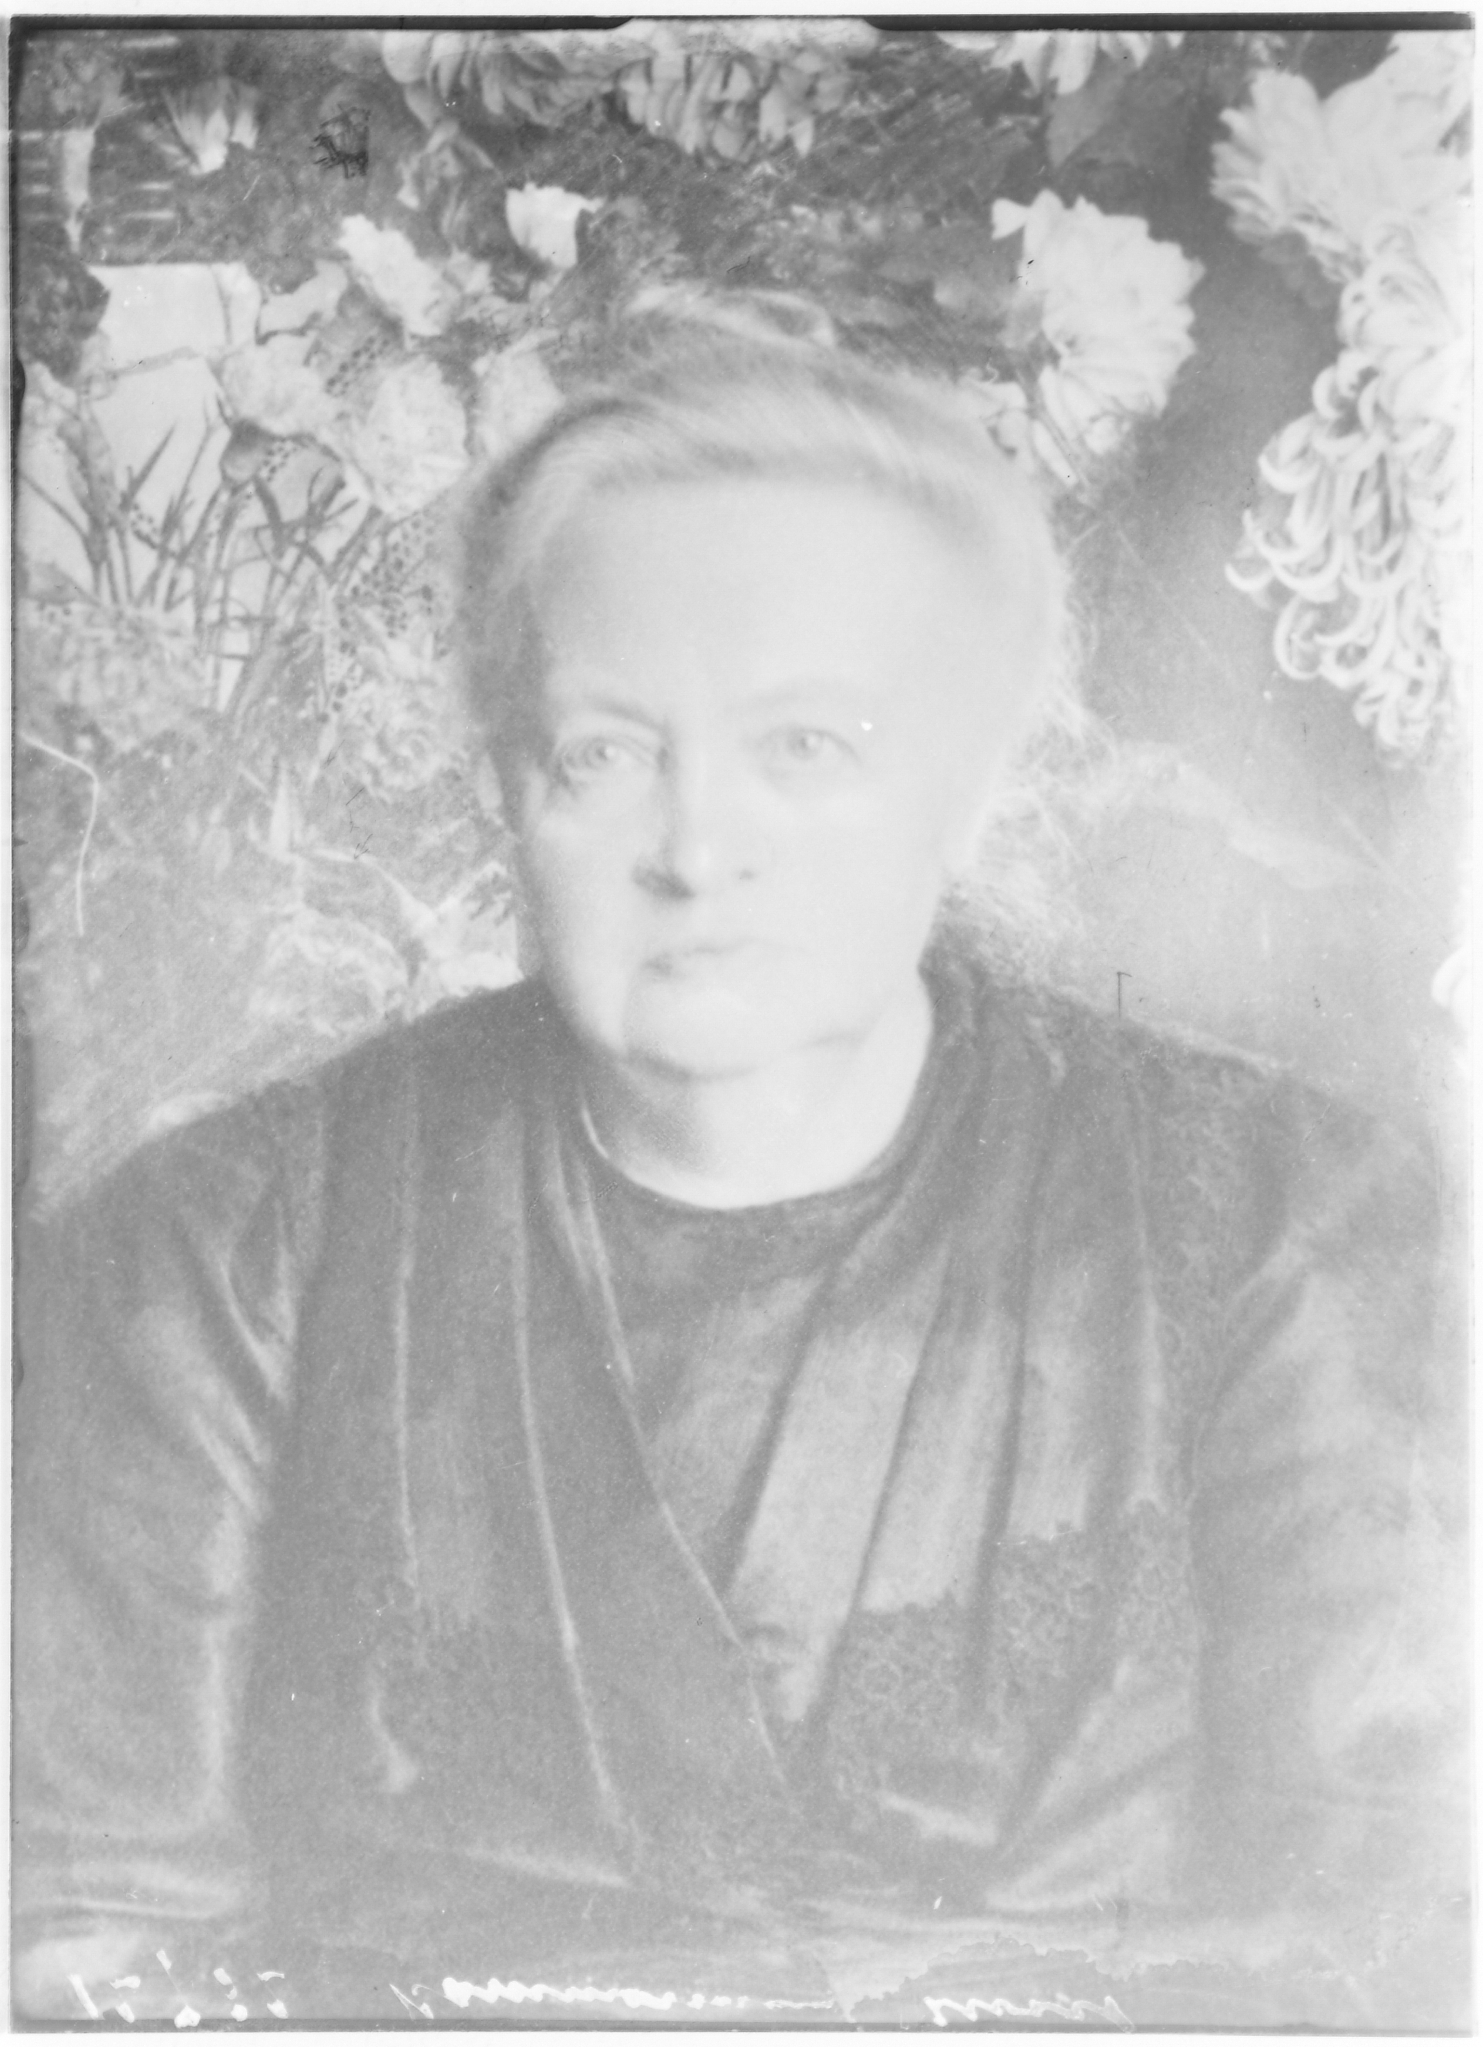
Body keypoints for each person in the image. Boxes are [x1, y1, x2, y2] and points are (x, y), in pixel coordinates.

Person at [12, 317, 1466, 2026]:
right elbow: (89, 1952)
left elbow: (1390, 1942)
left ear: (970, 787)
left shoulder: (1282, 1225)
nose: (699, 850)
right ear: (505, 786)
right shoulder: (221, 1252)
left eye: (806, 748)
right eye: (605, 753)